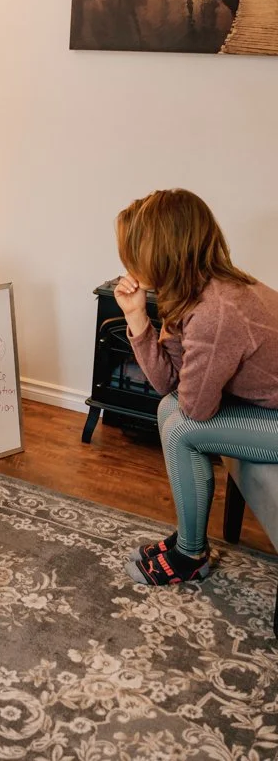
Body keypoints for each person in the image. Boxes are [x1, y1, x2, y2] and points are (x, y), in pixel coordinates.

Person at [114, 189, 278, 586]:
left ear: (161, 252)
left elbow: (195, 410)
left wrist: (156, 325)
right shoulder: (198, 290)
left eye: (134, 251)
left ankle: (190, 556)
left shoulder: (216, 311)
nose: (129, 263)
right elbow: (168, 385)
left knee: (182, 424)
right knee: (168, 411)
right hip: (268, 407)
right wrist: (138, 318)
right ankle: (190, 544)